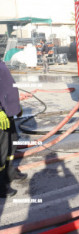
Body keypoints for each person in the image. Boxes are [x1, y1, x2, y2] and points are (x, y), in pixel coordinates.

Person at [0, 60, 27, 198]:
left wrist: (15, 105)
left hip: (8, 111)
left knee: (12, 144)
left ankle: (10, 172)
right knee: (1, 151)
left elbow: (6, 85)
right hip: (1, 114)